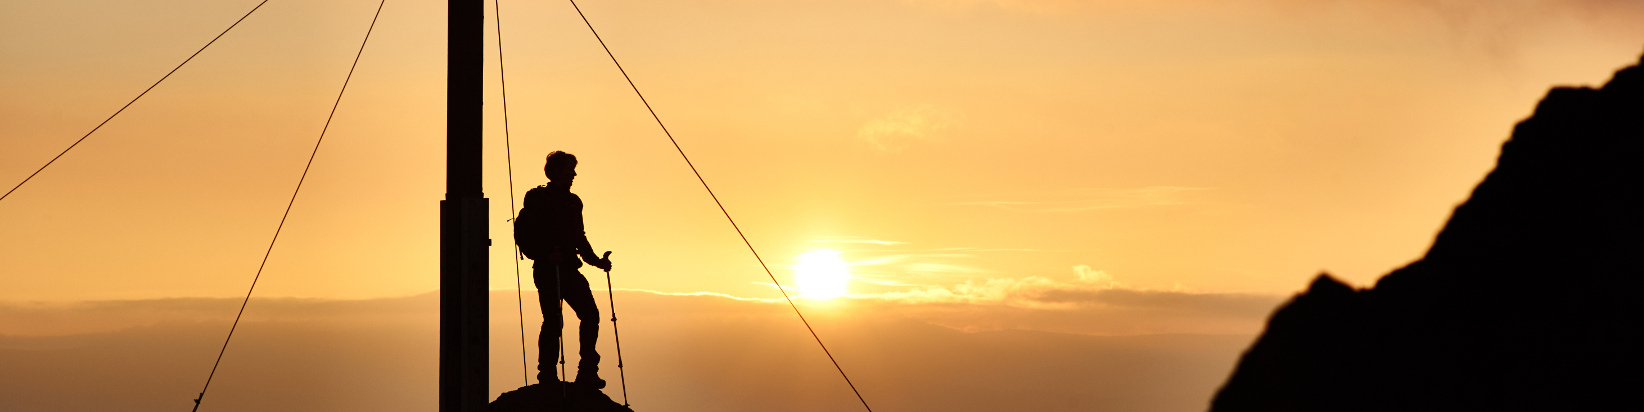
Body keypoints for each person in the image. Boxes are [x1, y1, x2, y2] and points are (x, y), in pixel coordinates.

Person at [520, 151, 612, 388]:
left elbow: (579, 238)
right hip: (547, 270)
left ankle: (586, 372)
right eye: (570, 169)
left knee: (590, 314)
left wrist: (596, 261)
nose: (574, 174)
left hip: (569, 268)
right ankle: (548, 376)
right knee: (553, 321)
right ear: (557, 171)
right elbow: (525, 235)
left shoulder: (573, 202)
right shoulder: (539, 199)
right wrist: (546, 255)